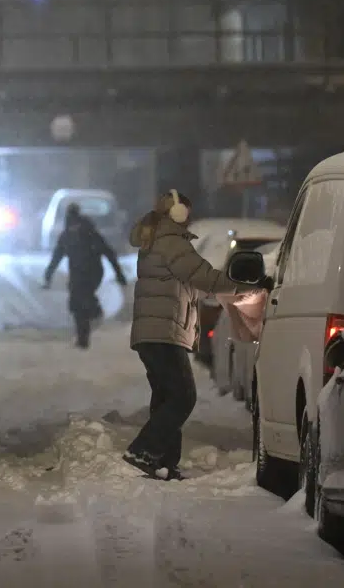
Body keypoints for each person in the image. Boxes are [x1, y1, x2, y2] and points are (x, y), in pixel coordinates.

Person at [124, 189, 239, 481]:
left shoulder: (158, 240)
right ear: (179, 214)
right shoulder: (172, 243)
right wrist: (239, 284)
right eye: (188, 212)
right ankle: (143, 449)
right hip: (163, 332)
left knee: (166, 397)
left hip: (153, 332)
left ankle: (163, 462)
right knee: (183, 397)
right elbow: (202, 275)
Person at [44, 203, 127, 348]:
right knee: (79, 303)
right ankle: (83, 338)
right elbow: (109, 253)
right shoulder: (83, 233)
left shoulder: (75, 234)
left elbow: (56, 258)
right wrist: (119, 274)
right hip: (89, 273)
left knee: (79, 303)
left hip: (87, 273)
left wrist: (48, 277)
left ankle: (94, 316)